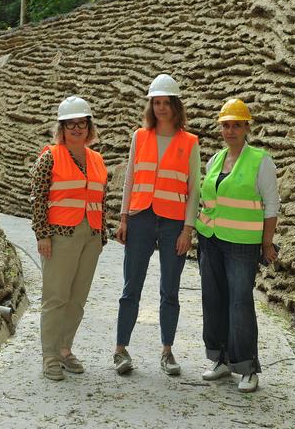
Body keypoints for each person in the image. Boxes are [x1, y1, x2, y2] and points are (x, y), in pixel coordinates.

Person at [113, 74, 201, 375]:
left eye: (167, 102)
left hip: (173, 223)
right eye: (156, 102)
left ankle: (167, 352)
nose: (161, 107)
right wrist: (123, 217)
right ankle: (120, 350)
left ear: (176, 106)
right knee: (131, 287)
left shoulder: (190, 142)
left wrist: (188, 229)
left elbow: (194, 190)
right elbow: (130, 179)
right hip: (140, 218)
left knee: (170, 290)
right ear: (151, 105)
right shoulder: (140, 137)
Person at [195, 98, 279, 393]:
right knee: (213, 299)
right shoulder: (215, 160)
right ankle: (219, 359)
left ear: (247, 128)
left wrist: (266, 243)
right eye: (226, 125)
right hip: (212, 240)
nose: (230, 130)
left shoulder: (260, 160)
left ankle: (246, 366)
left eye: (236, 125)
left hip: (242, 245)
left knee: (240, 303)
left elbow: (271, 206)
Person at [30, 96, 108, 381]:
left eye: (82, 123)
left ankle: (65, 349)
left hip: (91, 235)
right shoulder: (49, 157)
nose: (77, 128)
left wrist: (102, 235)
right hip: (59, 237)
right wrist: (43, 235)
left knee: (77, 299)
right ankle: (49, 355)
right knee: (56, 297)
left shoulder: (97, 159)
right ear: (61, 128)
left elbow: (102, 198)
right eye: (71, 124)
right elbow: (38, 199)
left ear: (89, 127)